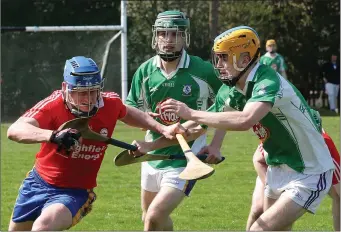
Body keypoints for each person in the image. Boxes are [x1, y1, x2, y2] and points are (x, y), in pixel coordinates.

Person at [159, 26, 335, 231]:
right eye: (218, 58)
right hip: (278, 168)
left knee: (258, 229)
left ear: (244, 59)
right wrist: (156, 141)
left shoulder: (268, 82)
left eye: (224, 58)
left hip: (310, 171)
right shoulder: (233, 89)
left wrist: (189, 113)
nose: (219, 64)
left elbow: (245, 119)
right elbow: (205, 121)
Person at [6, 56, 185, 231]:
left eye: (93, 91)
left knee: (43, 227)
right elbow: (15, 130)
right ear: (65, 88)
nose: (89, 99)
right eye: (81, 92)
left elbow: (127, 112)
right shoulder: (54, 104)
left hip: (75, 191)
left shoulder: (109, 103)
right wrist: (53, 135)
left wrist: (162, 129)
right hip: (37, 184)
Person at [125, 10, 222, 231]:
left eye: (174, 34)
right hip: (152, 155)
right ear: (155, 36)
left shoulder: (203, 70)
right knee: (149, 219)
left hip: (186, 157)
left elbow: (229, 103)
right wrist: (147, 120)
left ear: (184, 37)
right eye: (163, 34)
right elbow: (131, 109)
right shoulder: (145, 70)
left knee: (154, 216)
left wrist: (216, 142)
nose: (168, 40)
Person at [246, 127, 340, 231]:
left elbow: (338, 195)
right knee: (258, 209)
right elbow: (258, 160)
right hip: (271, 170)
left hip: (301, 176)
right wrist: (269, 187)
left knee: (279, 222)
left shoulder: (323, 148)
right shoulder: (279, 134)